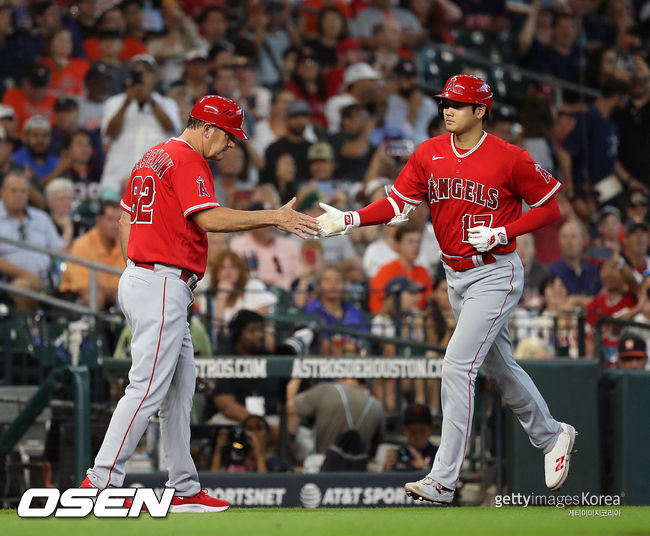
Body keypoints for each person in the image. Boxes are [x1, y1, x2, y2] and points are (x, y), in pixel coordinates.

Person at [316, 74, 577, 503]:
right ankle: (552, 436)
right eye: (444, 102)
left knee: (456, 366)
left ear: (481, 111)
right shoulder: (429, 152)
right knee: (499, 367)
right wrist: (350, 220)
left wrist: (503, 232)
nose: (447, 109)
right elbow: (399, 204)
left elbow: (550, 207)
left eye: (457, 103)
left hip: (495, 271)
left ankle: (442, 479)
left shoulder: (509, 157)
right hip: (455, 275)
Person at [81, 95, 320, 512]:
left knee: (179, 391)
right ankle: (99, 481)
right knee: (147, 388)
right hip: (160, 283)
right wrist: (274, 217)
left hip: (149, 279)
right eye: (229, 136)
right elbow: (207, 218)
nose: (232, 145)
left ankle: (184, 488)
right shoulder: (188, 157)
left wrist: (138, 266)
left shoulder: (153, 155)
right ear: (207, 128)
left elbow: (125, 219)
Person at [99, 54, 181, 198]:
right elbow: (108, 134)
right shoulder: (114, 102)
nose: (140, 77)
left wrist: (150, 101)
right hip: (116, 180)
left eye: (145, 73)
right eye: (136, 73)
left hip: (155, 182)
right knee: (112, 219)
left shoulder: (167, 104)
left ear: (154, 77)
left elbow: (172, 130)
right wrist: (127, 102)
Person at [0, 169, 64, 311]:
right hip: (8, 281)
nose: (19, 196)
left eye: (23, 191)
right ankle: (31, 328)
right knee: (21, 287)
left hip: (47, 280)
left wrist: (68, 230)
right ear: (2, 192)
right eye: (14, 191)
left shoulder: (41, 217)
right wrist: (27, 276)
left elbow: (60, 250)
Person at [59, 200, 125, 310]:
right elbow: (83, 286)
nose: (115, 225)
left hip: (116, 299)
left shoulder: (125, 244)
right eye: (110, 219)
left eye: (118, 219)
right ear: (99, 220)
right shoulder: (82, 245)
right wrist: (112, 292)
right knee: (95, 297)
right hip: (75, 300)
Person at [383, 403, 438, 471]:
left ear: (431, 429)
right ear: (404, 430)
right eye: (412, 432)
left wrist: (425, 470)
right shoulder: (398, 455)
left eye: (422, 431)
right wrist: (387, 469)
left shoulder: (439, 455)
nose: (418, 436)